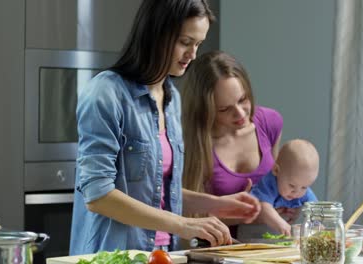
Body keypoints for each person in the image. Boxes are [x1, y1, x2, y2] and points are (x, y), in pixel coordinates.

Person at [70, 0, 260, 255]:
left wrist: (215, 204)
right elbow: (98, 195)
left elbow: (156, 189)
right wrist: (183, 224)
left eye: (198, 44)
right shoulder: (105, 93)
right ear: (156, 34)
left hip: (163, 255)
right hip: (115, 255)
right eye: (185, 42)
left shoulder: (171, 98)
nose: (192, 55)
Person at [181, 51, 298, 237]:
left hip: (266, 246)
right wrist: (248, 213)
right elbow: (189, 218)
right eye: (224, 109)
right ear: (206, 110)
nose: (240, 114)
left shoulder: (270, 123)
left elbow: (276, 188)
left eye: (243, 100)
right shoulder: (193, 144)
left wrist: (288, 204)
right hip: (216, 249)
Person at [250, 139, 319, 236]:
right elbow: (263, 207)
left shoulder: (300, 186)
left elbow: (315, 208)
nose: (297, 192)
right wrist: (282, 224)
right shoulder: (268, 183)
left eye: (304, 187)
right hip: (251, 233)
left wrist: (317, 224)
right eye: (292, 185)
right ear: (276, 170)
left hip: (274, 235)